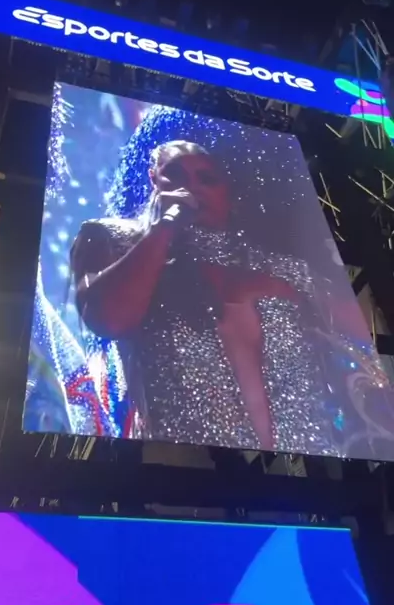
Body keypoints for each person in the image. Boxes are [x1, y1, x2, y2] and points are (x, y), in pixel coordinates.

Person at [71, 139, 387, 454]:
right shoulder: (113, 239)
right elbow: (109, 318)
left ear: (228, 193)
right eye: (176, 175)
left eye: (207, 179)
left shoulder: (285, 270)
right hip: (185, 466)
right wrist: (165, 226)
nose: (192, 187)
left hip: (309, 463)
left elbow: (365, 338)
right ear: (153, 178)